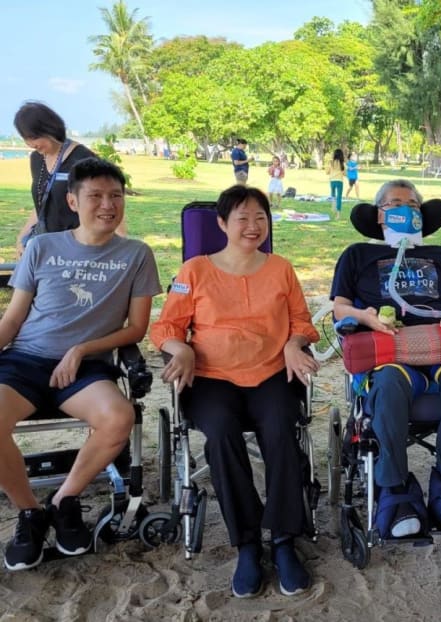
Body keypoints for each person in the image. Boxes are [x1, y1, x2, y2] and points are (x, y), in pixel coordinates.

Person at [150, 185, 320, 599]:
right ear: (222, 224)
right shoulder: (195, 271)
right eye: (242, 218)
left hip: (270, 374)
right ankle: (246, 542)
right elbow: (166, 327)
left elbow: (301, 322)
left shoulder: (280, 268)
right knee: (221, 433)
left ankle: (282, 539)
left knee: (282, 428)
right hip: (211, 378)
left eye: (260, 217)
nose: (253, 226)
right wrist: (182, 349)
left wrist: (295, 345)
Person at [0, 158, 161, 571]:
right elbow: (14, 319)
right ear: (73, 200)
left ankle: (63, 501)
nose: (107, 204)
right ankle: (30, 512)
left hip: (87, 367)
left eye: (116, 196)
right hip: (26, 360)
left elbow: (137, 328)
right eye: (96, 196)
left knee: (118, 418)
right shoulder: (42, 246)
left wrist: (80, 349)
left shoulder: (136, 255)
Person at [330, 179, 441, 538]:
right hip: (389, 353)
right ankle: (394, 492)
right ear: (380, 215)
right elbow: (339, 308)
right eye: (395, 203)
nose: (405, 209)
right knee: (388, 382)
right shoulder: (357, 255)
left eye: (413, 204)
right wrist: (367, 317)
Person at [13, 101, 126, 257]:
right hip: (48, 246)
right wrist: (22, 236)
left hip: (81, 248)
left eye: (34, 137)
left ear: (49, 129)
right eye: (26, 138)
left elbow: (109, 200)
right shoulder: (36, 159)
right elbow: (42, 201)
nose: (30, 144)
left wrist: (119, 247)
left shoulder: (82, 158)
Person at [327, 148, 345, 218]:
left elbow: (327, 172)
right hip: (340, 181)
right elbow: (345, 173)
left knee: (333, 195)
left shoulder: (331, 162)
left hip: (332, 181)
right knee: (339, 197)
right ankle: (338, 214)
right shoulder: (342, 163)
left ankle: (333, 207)